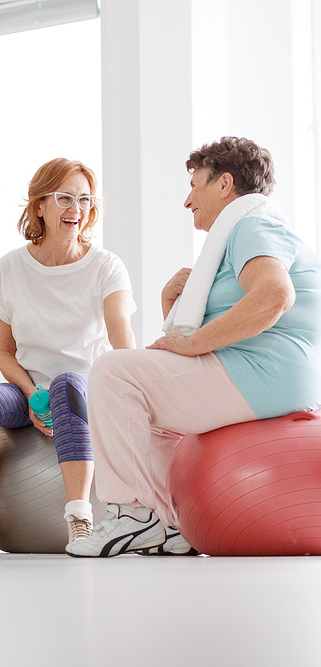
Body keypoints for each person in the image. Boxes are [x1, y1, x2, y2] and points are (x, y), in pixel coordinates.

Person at [68, 136, 321, 558]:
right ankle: (169, 525)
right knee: (142, 415)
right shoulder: (236, 236)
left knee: (113, 372)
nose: (188, 200)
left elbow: (275, 296)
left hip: (267, 373)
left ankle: (132, 515)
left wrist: (196, 341)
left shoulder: (253, 225)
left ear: (224, 185)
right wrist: (173, 306)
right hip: (262, 371)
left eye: (194, 184)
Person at [0, 158, 136, 554]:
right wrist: (30, 393)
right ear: (40, 204)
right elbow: (4, 351)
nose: (76, 209)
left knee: (66, 386)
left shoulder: (106, 267)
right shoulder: (9, 268)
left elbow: (121, 339)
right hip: (31, 388)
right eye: (65, 197)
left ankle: (80, 518)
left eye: (84, 199)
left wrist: (131, 393)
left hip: (86, 390)